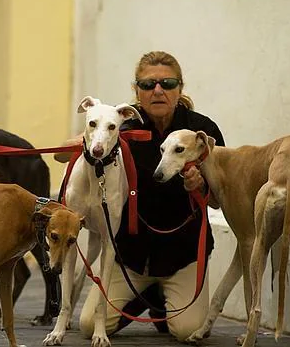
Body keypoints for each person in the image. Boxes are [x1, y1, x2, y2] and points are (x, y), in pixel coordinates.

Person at [56, 51, 225, 342]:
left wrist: (200, 185)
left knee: (186, 331)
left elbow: (218, 201)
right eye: (148, 85)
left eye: (167, 83)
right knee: (87, 326)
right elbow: (61, 154)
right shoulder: (123, 126)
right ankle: (141, 296)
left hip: (181, 257)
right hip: (131, 258)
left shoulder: (202, 130)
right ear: (137, 91)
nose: (158, 90)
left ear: (180, 88)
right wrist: (92, 139)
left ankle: (159, 300)